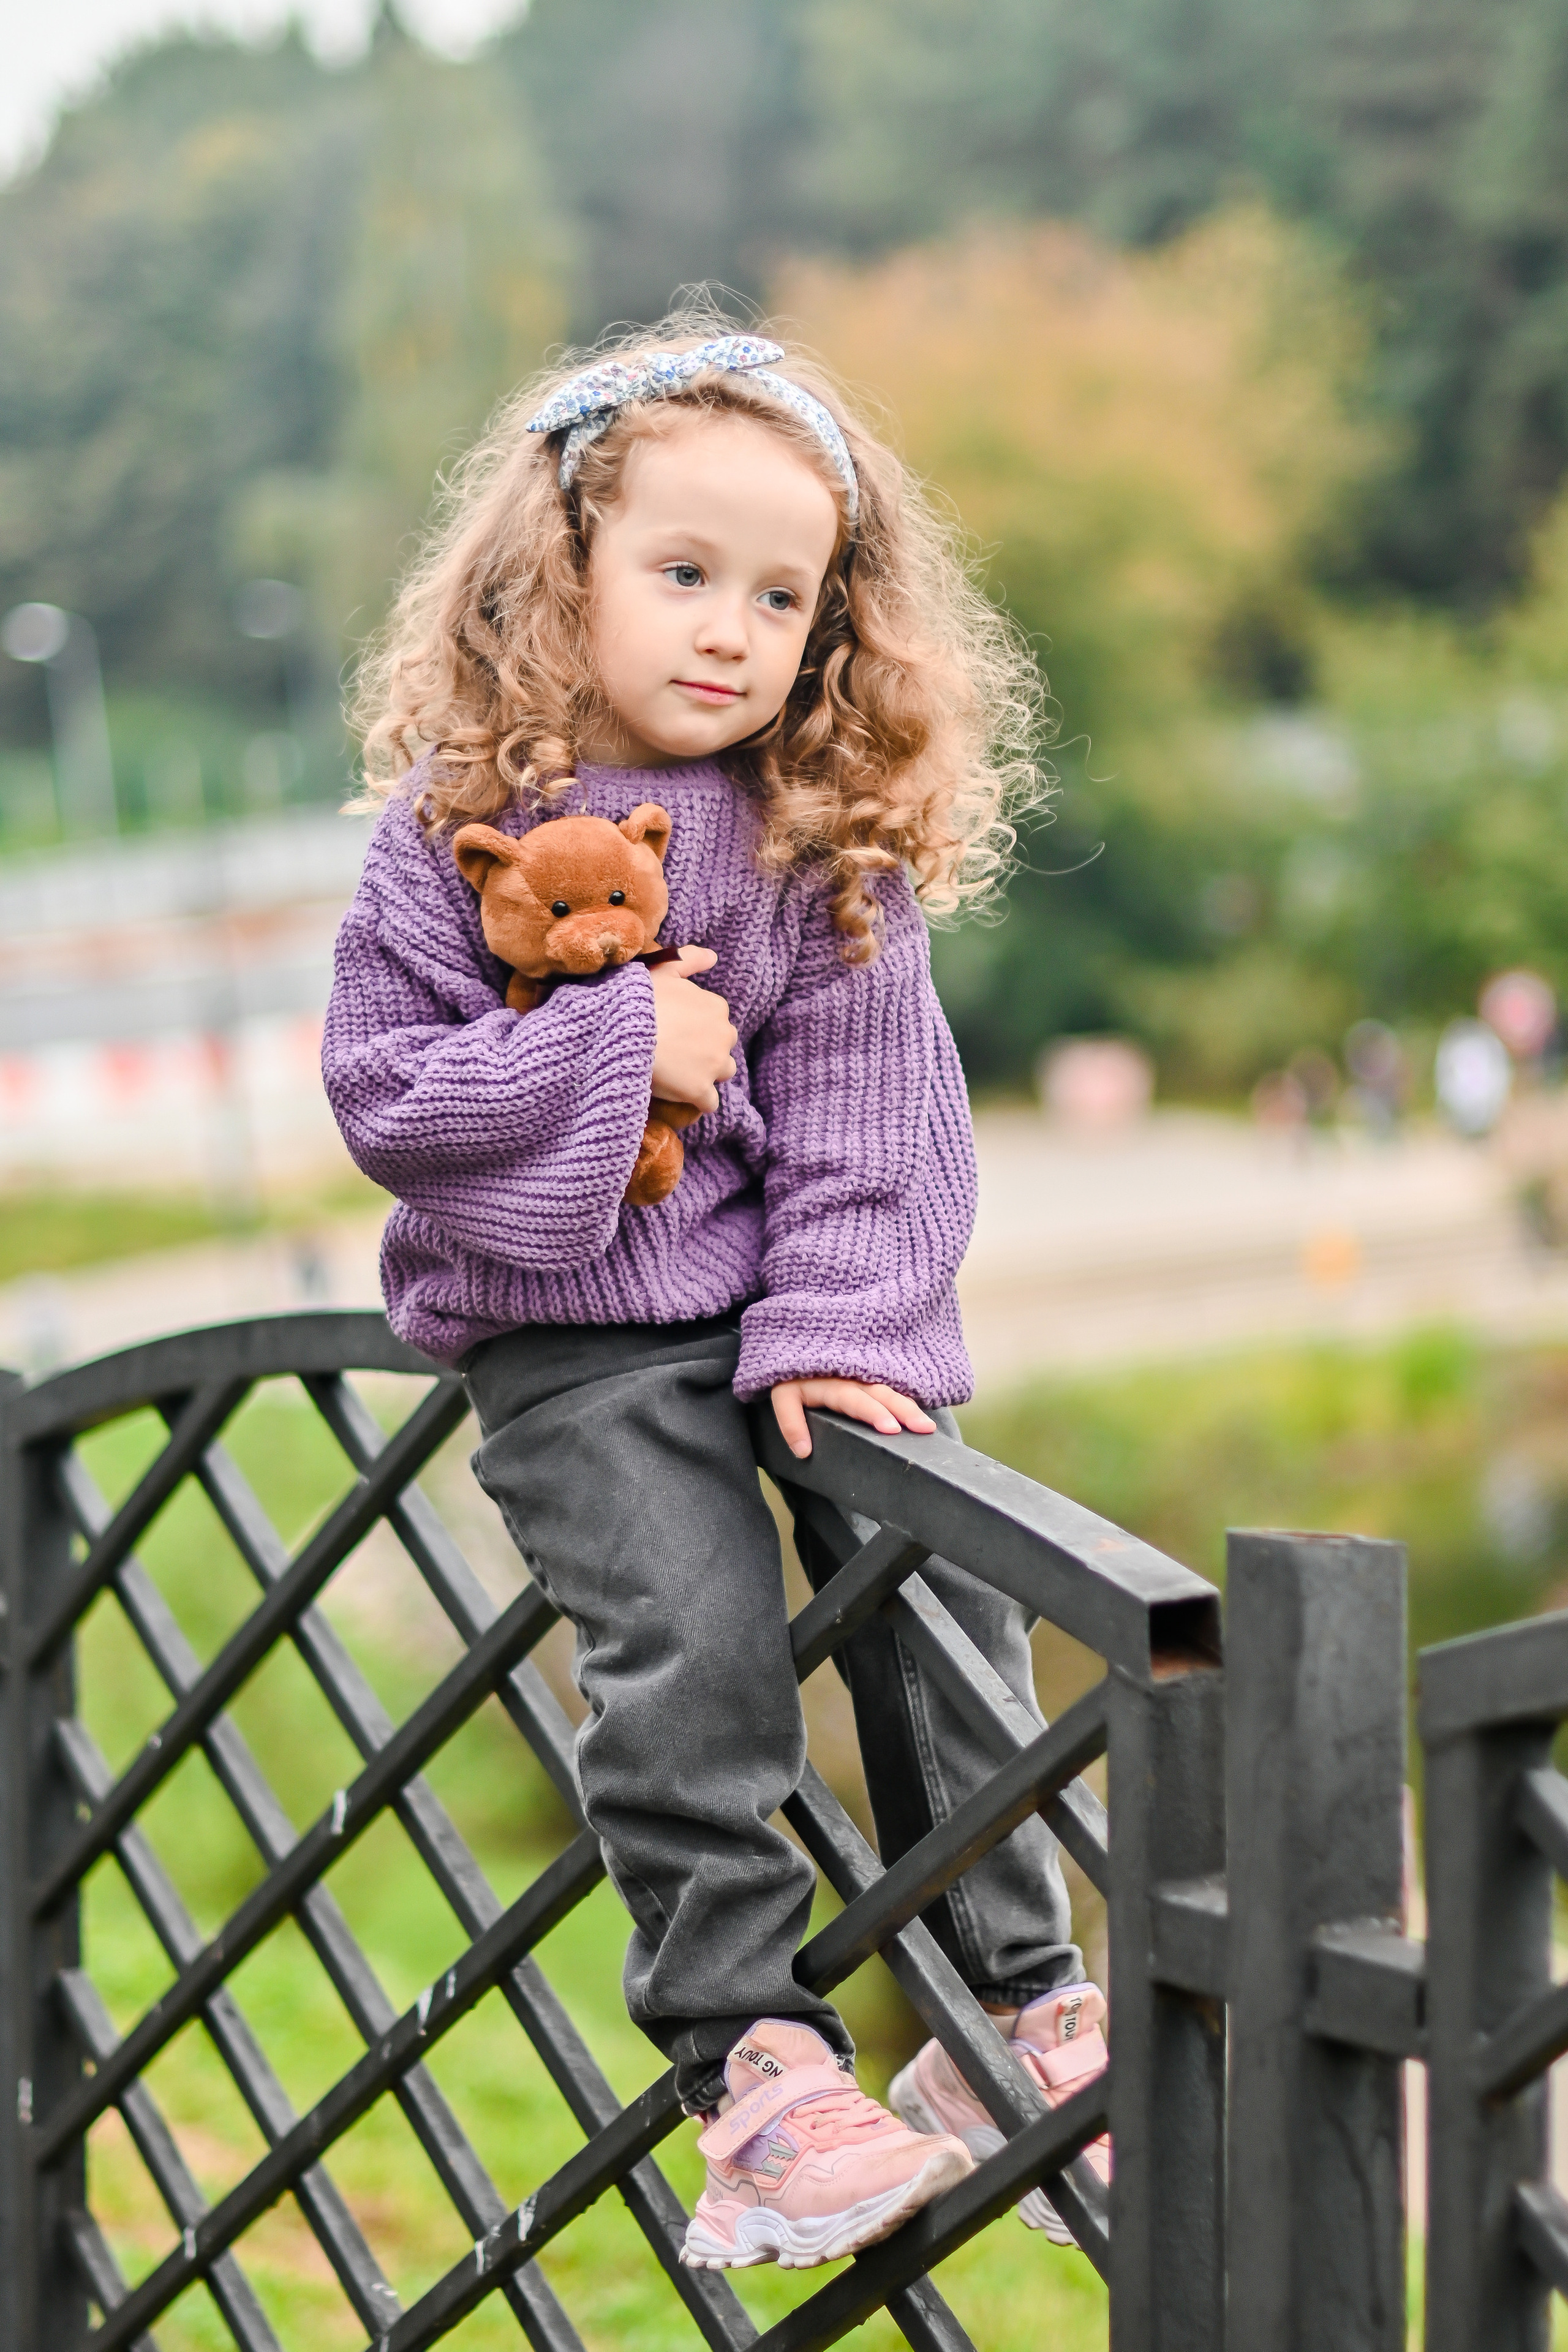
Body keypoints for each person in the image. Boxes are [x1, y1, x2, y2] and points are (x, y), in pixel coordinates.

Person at [323, 315, 1110, 2271]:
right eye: (684, 575)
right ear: (559, 571)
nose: (730, 629)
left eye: (783, 595)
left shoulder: (822, 844)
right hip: (569, 1336)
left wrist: (844, 1334)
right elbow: (390, 1100)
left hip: (787, 1313)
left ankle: (1007, 2001)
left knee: (938, 1578)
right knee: (692, 1647)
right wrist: (623, 1060)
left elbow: (878, 1124)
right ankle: (754, 2072)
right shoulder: (450, 837)